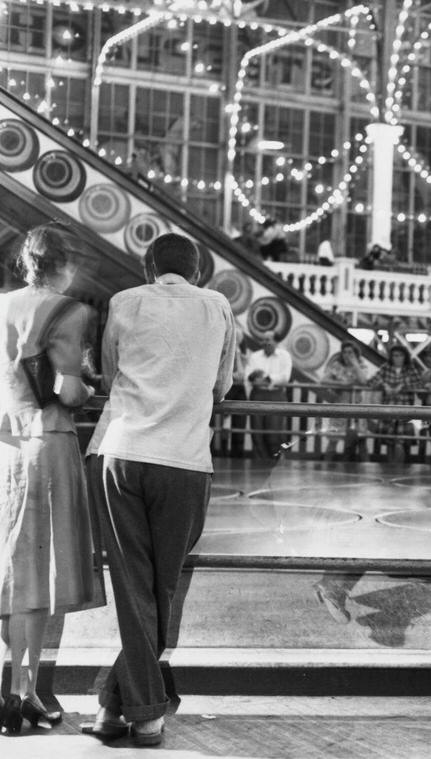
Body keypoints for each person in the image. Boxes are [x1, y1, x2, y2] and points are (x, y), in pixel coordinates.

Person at [86, 232, 236, 746]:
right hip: (186, 461)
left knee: (133, 586)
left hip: (122, 452)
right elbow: (222, 385)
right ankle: (146, 711)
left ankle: (115, 706)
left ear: (151, 269)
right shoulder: (218, 306)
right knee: (161, 587)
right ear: (196, 272)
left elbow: (109, 376)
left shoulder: (124, 301)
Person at [0, 224, 100, 734]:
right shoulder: (68, 311)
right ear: (64, 265)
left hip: (4, 447)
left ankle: (18, 690)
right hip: (47, 444)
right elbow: (67, 389)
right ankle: (22, 694)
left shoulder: (0, 306)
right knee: (35, 576)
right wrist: (86, 382)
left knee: (10, 568)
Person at [366, 344, 423, 464]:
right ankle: (390, 468)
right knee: (389, 441)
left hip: (405, 409)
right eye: (394, 355)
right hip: (388, 409)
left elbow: (419, 385)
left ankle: (398, 467)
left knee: (401, 441)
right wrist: (384, 385)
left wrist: (403, 386)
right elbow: (371, 382)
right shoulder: (386, 367)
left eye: (399, 355)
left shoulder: (410, 369)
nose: (397, 358)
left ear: (405, 356)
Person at [320, 343, 372, 461]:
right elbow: (323, 380)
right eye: (345, 352)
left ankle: (368, 469)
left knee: (361, 442)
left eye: (350, 352)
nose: (347, 355)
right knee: (333, 441)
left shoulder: (362, 366)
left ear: (356, 354)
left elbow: (363, 381)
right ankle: (324, 468)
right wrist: (342, 384)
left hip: (357, 409)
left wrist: (355, 364)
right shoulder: (337, 365)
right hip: (340, 407)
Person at [245, 334, 293, 459]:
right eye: (263, 339)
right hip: (257, 395)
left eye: (268, 339)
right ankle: (259, 464)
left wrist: (267, 378)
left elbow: (285, 377)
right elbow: (249, 377)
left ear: (276, 341)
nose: (265, 342)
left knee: (274, 433)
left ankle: (275, 463)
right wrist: (255, 383)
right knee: (257, 433)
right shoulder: (255, 356)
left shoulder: (285, 356)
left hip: (276, 395)